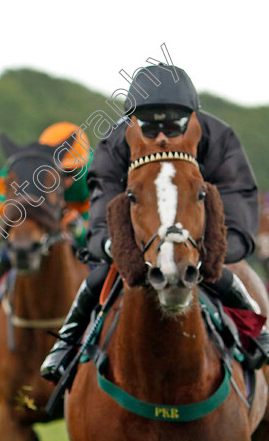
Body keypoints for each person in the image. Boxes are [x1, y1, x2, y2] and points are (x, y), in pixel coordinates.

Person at [41, 64, 269, 383]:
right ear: (133, 123)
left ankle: (258, 333)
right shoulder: (115, 144)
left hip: (199, 232)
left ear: (191, 120)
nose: (161, 136)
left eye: (173, 125)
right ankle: (66, 345)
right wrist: (112, 245)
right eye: (148, 126)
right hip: (140, 236)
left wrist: (218, 250)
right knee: (96, 281)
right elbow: (103, 198)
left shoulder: (219, 138)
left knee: (227, 275)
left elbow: (237, 195)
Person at [0, 122, 92, 303]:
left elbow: (103, 231)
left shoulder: (94, 173)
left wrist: (79, 230)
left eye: (74, 171)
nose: (68, 181)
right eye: (61, 173)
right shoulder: (17, 172)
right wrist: (7, 230)